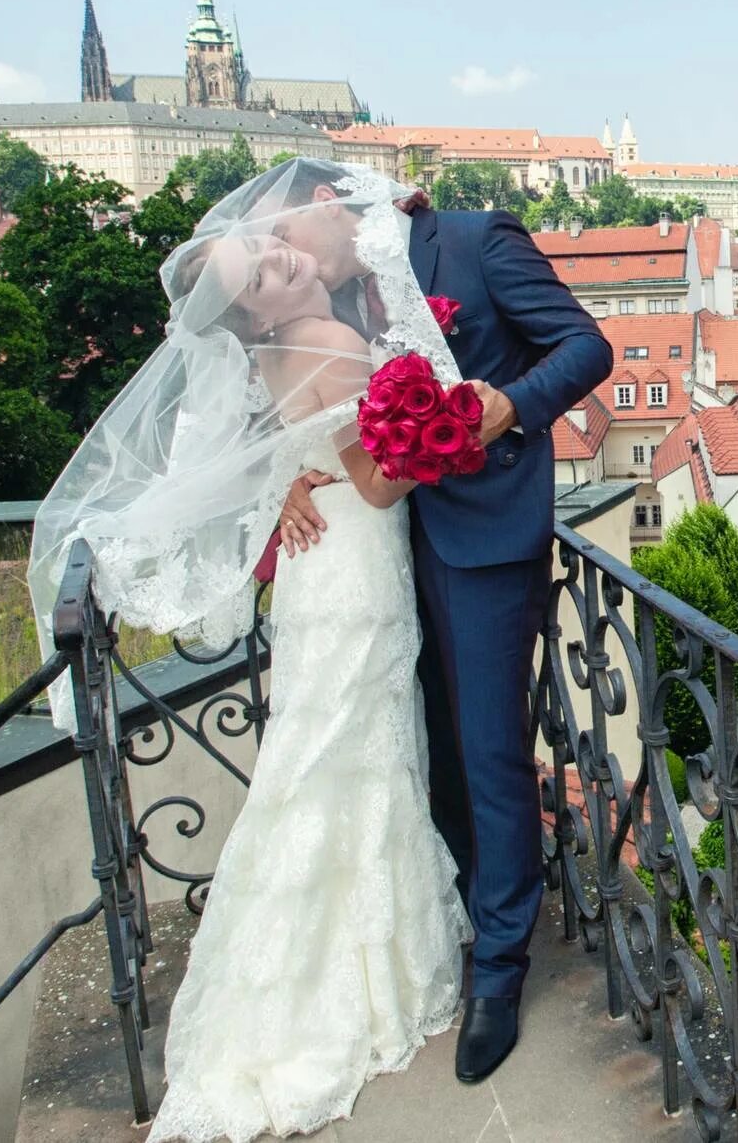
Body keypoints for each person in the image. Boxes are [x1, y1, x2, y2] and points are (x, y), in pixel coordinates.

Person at [26, 161, 483, 1141]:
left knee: (320, 756)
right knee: (354, 755)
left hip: (322, 580)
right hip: (358, 573)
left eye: (274, 246)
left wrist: (296, 480)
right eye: (268, 269)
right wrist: (452, 427)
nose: (284, 254)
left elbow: (296, 455)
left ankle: (298, 960)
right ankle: (355, 975)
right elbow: (377, 485)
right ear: (263, 317)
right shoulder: (324, 338)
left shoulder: (278, 352)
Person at [270, 162, 612, 1084]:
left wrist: (512, 407)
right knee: (431, 747)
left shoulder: (473, 240)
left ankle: (499, 968)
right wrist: (301, 479)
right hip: (384, 551)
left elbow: (585, 349)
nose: (285, 256)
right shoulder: (334, 298)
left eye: (286, 237)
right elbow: (330, 417)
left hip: (486, 540)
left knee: (492, 754)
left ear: (325, 204)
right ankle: (463, 906)